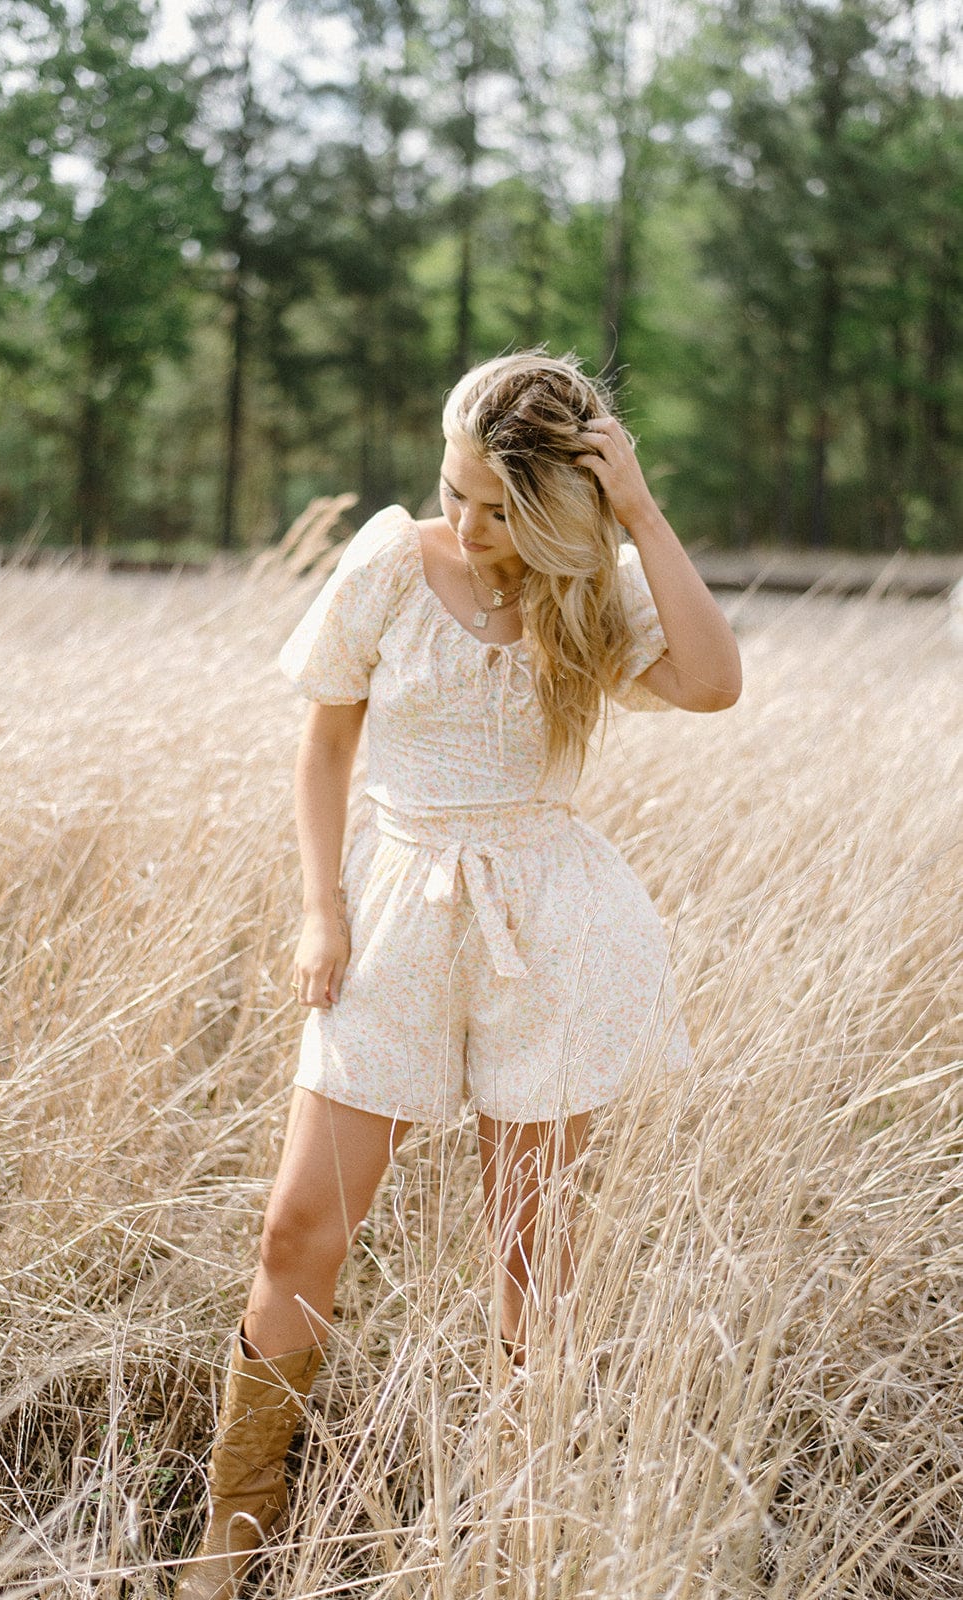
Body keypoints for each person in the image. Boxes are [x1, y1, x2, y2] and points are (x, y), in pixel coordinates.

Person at [174, 350, 742, 1600]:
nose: (470, 524)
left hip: (547, 924)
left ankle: (511, 1524)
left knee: (532, 1252)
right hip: (391, 904)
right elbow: (326, 743)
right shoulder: (389, 559)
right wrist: (318, 913)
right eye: (458, 491)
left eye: (500, 508)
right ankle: (235, 1520)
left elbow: (712, 682)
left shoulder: (588, 590)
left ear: (558, 509)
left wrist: (638, 513)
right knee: (298, 1225)